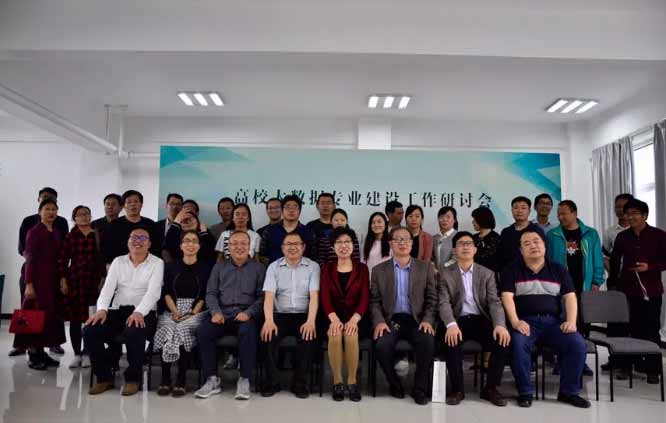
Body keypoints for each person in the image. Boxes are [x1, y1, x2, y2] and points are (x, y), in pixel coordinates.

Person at [500, 229, 590, 408]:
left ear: (544, 245)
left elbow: (570, 297)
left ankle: (568, 392)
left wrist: (571, 321)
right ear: (521, 250)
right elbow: (506, 297)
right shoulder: (511, 270)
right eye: (527, 243)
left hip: (553, 323)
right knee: (518, 343)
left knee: (577, 343)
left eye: (536, 241)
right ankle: (525, 392)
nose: (533, 246)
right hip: (525, 322)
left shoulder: (558, 269)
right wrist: (515, 322)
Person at [84, 227, 164, 396]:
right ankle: (104, 377)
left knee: (134, 331)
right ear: (128, 242)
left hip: (144, 312)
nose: (137, 241)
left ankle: (133, 379)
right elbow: (107, 289)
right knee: (90, 330)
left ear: (149, 244)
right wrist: (102, 310)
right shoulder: (118, 262)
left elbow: (154, 292)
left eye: (142, 238)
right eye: (134, 237)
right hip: (117, 310)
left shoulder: (157, 263)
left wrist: (139, 312)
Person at [438, 231, 510, 406]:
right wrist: (451, 324)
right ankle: (457, 389)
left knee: (502, 340)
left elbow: (494, 302)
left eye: (469, 243)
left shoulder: (487, 273)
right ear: (454, 250)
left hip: (481, 319)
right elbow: (443, 302)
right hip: (458, 319)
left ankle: (491, 388)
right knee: (450, 341)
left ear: (475, 249)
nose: (465, 247)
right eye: (461, 244)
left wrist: (500, 325)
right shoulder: (444, 274)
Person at [195, 231, 265, 400]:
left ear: (249, 246)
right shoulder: (219, 267)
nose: (239, 247)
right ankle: (212, 379)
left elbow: (262, 297)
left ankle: (244, 379)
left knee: (248, 332)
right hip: (222, 314)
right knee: (204, 331)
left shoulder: (259, 268)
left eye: (243, 243)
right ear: (228, 247)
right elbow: (211, 293)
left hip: (245, 314)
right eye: (235, 243)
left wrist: (248, 313)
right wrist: (215, 312)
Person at [371, 227, 437, 405]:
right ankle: (394, 383)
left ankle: (420, 388)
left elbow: (432, 299)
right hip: (392, 321)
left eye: (406, 239)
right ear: (390, 244)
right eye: (398, 239)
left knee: (427, 341)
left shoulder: (425, 268)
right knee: (382, 345)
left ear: (412, 243)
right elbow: (374, 301)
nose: (402, 243)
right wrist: (379, 322)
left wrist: (427, 320)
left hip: (417, 320)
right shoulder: (378, 270)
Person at [609, 199, 666, 384]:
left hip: (651, 291)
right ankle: (626, 366)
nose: (631, 217)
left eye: (635, 213)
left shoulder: (659, 235)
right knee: (627, 329)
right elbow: (615, 262)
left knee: (651, 329)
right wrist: (613, 285)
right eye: (628, 214)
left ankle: (652, 370)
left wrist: (650, 267)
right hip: (627, 290)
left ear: (645, 215)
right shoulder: (622, 237)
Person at [547, 200, 603, 377]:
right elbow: (547, 260)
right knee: (562, 323)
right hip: (560, 288)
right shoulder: (552, 235)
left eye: (564, 213)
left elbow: (597, 258)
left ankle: (581, 361)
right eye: (559, 214)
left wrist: (596, 281)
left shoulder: (590, 234)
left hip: (583, 286)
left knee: (583, 325)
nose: (560, 217)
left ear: (574, 213)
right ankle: (561, 360)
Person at [260, 232, 320, 398]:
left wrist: (311, 321)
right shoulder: (273, 267)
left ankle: (299, 383)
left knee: (309, 338)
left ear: (303, 247)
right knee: (267, 337)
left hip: (303, 315)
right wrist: (269, 321)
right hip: (280, 315)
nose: (292, 247)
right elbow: (269, 297)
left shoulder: (313, 266)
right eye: (288, 244)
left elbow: (314, 296)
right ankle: (272, 382)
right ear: (282, 248)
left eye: (296, 244)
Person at [11, 187, 69, 357]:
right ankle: (26, 346)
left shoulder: (59, 225)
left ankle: (51, 344)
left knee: (51, 311)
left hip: (53, 275)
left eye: (53, 207)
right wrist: (30, 282)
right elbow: (25, 251)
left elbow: (63, 250)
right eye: (45, 201)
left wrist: (62, 276)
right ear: (39, 203)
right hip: (33, 274)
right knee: (30, 311)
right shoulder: (31, 225)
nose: (50, 211)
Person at [154, 230, 212, 397]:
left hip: (196, 310)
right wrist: (175, 312)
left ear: (199, 246)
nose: (190, 244)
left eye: (194, 241)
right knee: (167, 328)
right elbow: (166, 292)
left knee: (183, 328)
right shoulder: (170, 267)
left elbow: (205, 296)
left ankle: (181, 379)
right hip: (172, 308)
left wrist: (192, 313)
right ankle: (165, 378)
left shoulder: (206, 268)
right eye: (186, 240)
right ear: (181, 245)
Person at [320, 227, 370, 402]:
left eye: (347, 242)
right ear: (333, 247)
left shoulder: (362, 269)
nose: (343, 246)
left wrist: (354, 319)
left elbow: (365, 298)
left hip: (357, 317)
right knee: (334, 335)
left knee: (350, 335)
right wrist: (333, 319)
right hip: (331, 317)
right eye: (339, 242)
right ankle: (337, 381)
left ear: (353, 245)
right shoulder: (326, 269)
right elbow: (325, 297)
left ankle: (352, 382)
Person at [57, 205, 105, 369]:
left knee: (91, 319)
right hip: (75, 282)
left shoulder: (97, 235)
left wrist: (103, 281)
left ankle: (87, 353)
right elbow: (62, 260)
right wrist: (63, 281)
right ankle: (77, 354)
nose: (84, 216)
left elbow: (102, 259)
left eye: (87, 214)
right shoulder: (70, 237)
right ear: (74, 218)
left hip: (94, 281)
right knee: (75, 320)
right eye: (80, 214)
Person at [101, 190, 158, 264]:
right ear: (123, 206)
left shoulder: (150, 224)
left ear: (141, 205)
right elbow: (107, 249)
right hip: (120, 265)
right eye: (129, 202)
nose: (133, 204)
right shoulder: (113, 225)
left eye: (136, 201)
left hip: (146, 265)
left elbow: (156, 248)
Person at [260, 195, 315, 263]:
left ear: (299, 211)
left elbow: (313, 256)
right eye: (287, 207)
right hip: (275, 269)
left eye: (295, 207)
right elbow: (262, 255)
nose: (291, 210)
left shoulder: (308, 232)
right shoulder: (269, 231)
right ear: (282, 210)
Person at [497, 196, 545, 271]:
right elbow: (501, 257)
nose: (519, 211)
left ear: (529, 211)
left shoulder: (537, 231)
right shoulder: (506, 232)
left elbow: (543, 256)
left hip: (531, 274)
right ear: (512, 210)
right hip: (509, 274)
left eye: (523, 208)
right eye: (516, 208)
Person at [603, 193, 634, 267]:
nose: (621, 210)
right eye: (618, 207)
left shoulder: (638, 229)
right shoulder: (609, 231)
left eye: (624, 207)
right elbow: (604, 255)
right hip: (618, 272)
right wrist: (612, 271)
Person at [361, 212, 392, 276]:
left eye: (379, 222)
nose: (376, 225)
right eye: (373, 223)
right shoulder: (365, 243)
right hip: (370, 279)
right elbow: (362, 263)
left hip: (387, 279)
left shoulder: (392, 242)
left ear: (385, 224)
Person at [471, 206, 501, 273]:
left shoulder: (495, 238)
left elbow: (486, 259)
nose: (472, 222)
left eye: (475, 220)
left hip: (490, 275)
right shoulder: (473, 238)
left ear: (482, 219)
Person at [432, 206, 458, 271]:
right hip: (435, 274)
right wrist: (434, 268)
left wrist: (443, 269)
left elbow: (457, 258)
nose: (444, 220)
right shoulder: (434, 238)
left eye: (448, 217)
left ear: (454, 220)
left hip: (452, 273)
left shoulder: (458, 237)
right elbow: (431, 257)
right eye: (441, 217)